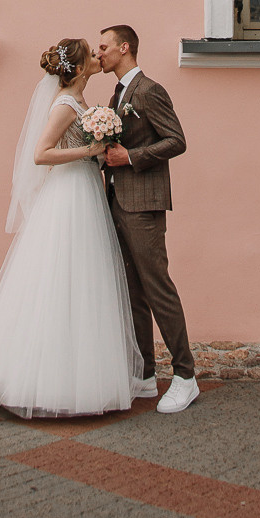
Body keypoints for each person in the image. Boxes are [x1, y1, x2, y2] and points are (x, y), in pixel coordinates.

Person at [0, 37, 151, 419]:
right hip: (68, 195)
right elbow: (41, 153)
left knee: (84, 283)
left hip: (86, 191)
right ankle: (42, 381)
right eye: (91, 54)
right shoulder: (63, 104)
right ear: (76, 68)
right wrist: (89, 151)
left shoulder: (80, 101)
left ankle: (84, 381)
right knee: (59, 279)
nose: (96, 57)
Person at [96, 25, 199, 414]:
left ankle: (186, 377)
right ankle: (143, 374)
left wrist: (131, 158)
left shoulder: (149, 90)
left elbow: (177, 140)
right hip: (118, 200)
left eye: (104, 47)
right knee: (133, 290)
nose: (99, 53)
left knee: (158, 289)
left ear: (125, 48)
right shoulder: (117, 92)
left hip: (143, 204)